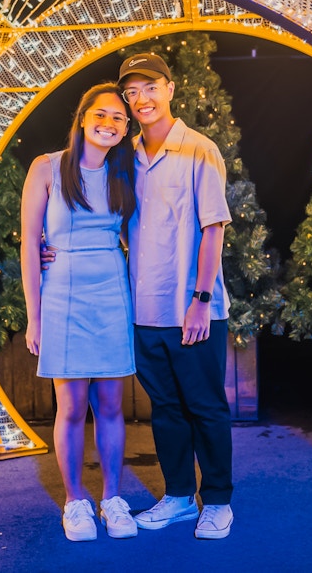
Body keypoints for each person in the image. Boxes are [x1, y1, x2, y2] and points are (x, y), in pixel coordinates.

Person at [117, 53, 234, 539]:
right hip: (143, 312)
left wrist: (201, 299)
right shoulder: (123, 155)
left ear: (169, 89)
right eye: (131, 92)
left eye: (149, 87)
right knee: (163, 410)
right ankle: (181, 497)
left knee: (205, 407)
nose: (140, 99)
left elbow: (214, 228)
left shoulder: (199, 149)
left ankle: (220, 502)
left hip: (192, 310)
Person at [21, 82, 138, 542]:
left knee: (110, 405)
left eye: (118, 118)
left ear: (126, 129)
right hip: (62, 292)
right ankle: (75, 502)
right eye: (102, 114)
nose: (109, 123)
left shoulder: (124, 173)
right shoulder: (47, 167)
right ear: (84, 117)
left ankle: (112, 498)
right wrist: (35, 315)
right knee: (69, 406)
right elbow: (31, 243)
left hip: (111, 288)